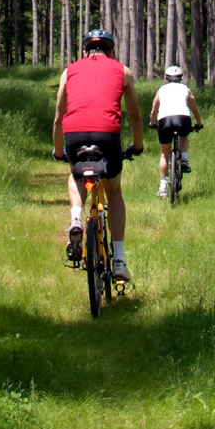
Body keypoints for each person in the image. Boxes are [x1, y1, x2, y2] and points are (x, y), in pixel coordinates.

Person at [52, 28, 144, 282]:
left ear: (84, 51)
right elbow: (135, 116)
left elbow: (59, 117)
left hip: (75, 135)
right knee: (114, 191)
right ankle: (119, 260)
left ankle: (75, 218)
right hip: (108, 136)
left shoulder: (69, 71)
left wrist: (59, 151)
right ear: (111, 51)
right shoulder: (123, 71)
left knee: (75, 174)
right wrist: (138, 146)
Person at [150, 64, 201, 198]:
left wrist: (152, 123)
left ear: (167, 78)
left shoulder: (161, 90)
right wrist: (199, 123)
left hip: (164, 121)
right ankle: (183, 158)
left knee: (164, 154)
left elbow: (154, 108)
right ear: (180, 78)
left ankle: (162, 187)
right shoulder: (186, 89)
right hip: (183, 119)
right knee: (184, 136)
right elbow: (195, 109)